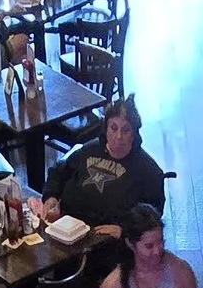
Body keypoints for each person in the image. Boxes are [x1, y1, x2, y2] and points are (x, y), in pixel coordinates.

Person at [39, 99, 169, 237]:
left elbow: (152, 220)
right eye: (113, 128)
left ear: (134, 134)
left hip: (107, 240)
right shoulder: (88, 150)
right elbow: (58, 172)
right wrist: (51, 196)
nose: (119, 137)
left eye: (126, 130)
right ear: (106, 128)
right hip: (66, 228)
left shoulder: (149, 171)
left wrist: (125, 232)